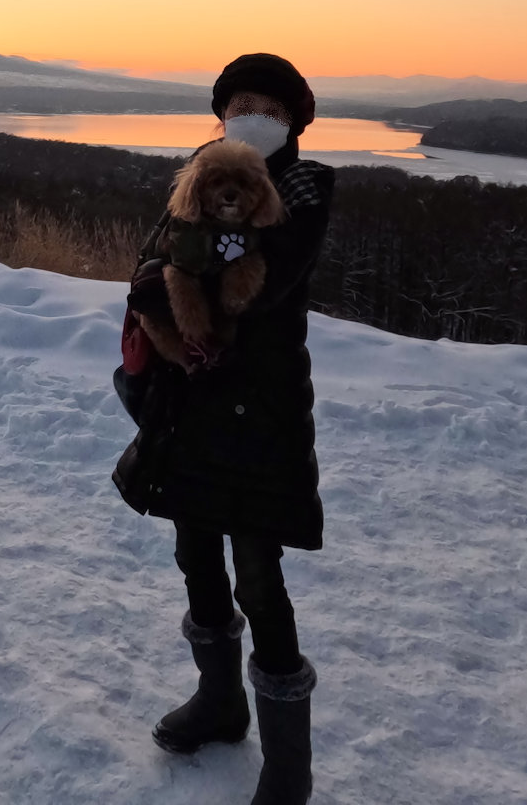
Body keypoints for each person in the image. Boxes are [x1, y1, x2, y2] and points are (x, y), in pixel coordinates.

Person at [113, 52, 334, 805]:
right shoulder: (195, 174)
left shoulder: (305, 187)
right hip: (189, 404)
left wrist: (185, 264)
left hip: (261, 411)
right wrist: (168, 287)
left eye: (271, 111)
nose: (255, 119)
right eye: (242, 105)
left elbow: (262, 290)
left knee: (259, 577)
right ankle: (220, 700)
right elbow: (149, 267)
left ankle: (288, 766)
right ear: (220, 111)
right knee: (195, 553)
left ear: (294, 123)